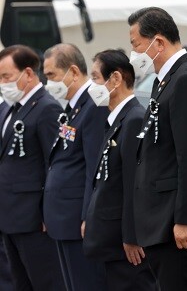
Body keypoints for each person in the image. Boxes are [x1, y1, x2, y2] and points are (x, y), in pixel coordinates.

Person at [128, 7, 187, 290]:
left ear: (158, 43)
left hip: (174, 221)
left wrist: (185, 219)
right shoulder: (167, 80)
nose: (134, 53)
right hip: (160, 220)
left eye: (136, 45)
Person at [82, 49, 158, 291]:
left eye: (95, 77)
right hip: (111, 237)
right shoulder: (116, 118)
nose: (91, 84)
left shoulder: (134, 118)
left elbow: (134, 183)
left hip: (125, 243)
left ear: (115, 79)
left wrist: (132, 236)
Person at [42, 43, 109, 291]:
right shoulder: (74, 107)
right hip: (62, 218)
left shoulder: (93, 105)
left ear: (72, 71)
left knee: (86, 283)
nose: (48, 83)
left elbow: (94, 167)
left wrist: (87, 216)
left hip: (77, 220)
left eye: (51, 75)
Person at [0, 45, 65, 290]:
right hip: (10, 215)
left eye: (6, 77)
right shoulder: (10, 109)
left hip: (33, 218)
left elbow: (54, 163)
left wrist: (46, 212)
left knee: (44, 281)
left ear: (28, 73)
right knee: (19, 282)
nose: (3, 83)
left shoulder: (47, 107)